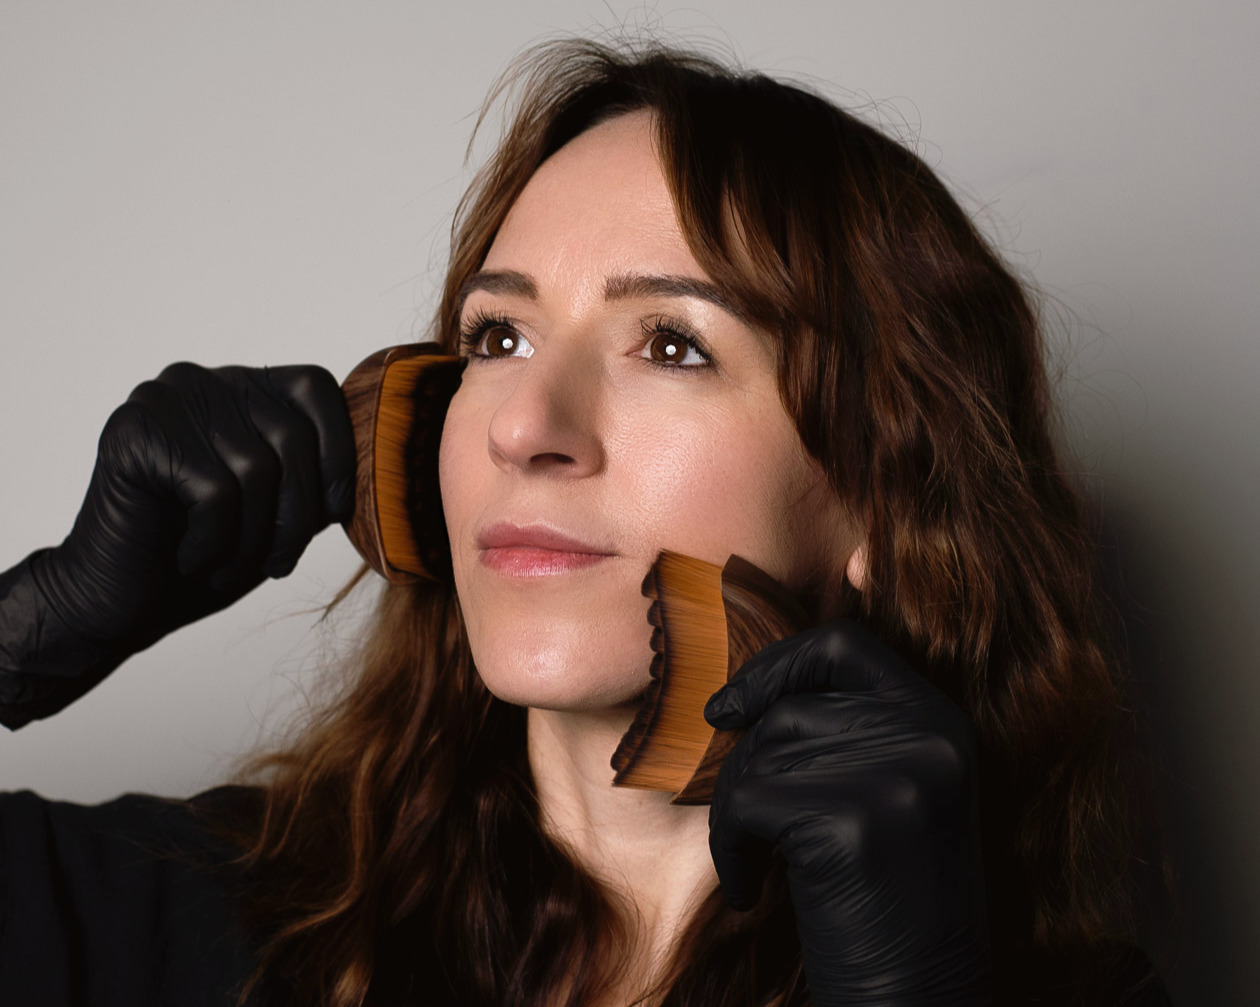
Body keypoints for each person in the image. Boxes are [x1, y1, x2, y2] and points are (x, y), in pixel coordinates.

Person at [0, 36, 1169, 1007]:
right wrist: (34, 626)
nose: (525, 426)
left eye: (671, 343)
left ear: (880, 490)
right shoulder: (198, 913)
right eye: (497, 338)